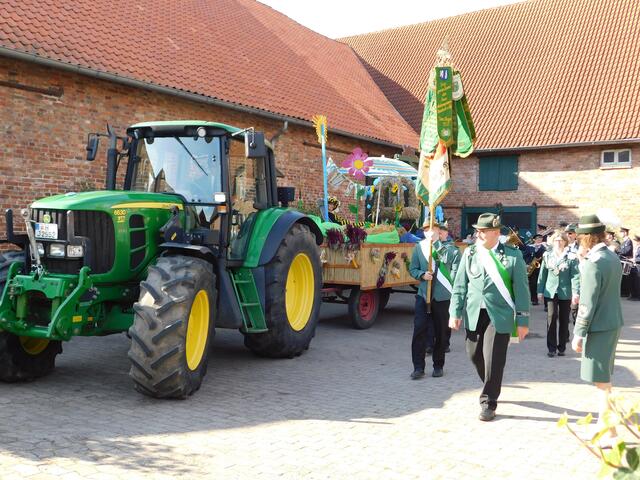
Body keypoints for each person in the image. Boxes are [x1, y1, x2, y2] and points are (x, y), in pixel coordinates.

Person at [449, 213, 530, 421]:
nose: (478, 234)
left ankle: (489, 402)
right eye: (478, 231)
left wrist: (523, 320)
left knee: (493, 358)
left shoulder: (513, 256)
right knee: (474, 355)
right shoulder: (470, 253)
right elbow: (460, 284)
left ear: (495, 232)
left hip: (500, 315)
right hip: (475, 312)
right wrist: (455, 312)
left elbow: (522, 290)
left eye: (483, 231)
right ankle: (492, 381)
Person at [572, 214, 624, 441]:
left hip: (599, 325)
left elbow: (587, 302)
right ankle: (605, 425)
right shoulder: (611, 256)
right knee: (603, 380)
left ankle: (610, 431)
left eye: (580, 237)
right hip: (612, 322)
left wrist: (578, 332)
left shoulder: (594, 263)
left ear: (587, 238)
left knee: (602, 382)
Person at [409, 220, 460, 379]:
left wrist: (436, 243)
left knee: (441, 332)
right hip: (424, 295)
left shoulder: (449, 248)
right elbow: (413, 268)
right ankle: (418, 367)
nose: (429, 233)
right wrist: (421, 275)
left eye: (433, 230)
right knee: (419, 331)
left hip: (442, 296)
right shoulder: (419, 247)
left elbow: (448, 261)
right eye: (426, 231)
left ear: (439, 231)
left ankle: (438, 365)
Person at [537, 230, 580, 357]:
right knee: (552, 316)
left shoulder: (571, 256)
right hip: (550, 291)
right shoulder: (547, 255)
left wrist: (576, 292)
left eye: (561, 240)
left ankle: (562, 347)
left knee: (564, 319)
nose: (558, 242)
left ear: (565, 242)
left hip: (565, 291)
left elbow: (575, 276)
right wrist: (539, 291)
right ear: (552, 241)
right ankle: (551, 348)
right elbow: (543, 274)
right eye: (556, 240)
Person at [437, 221, 460, 353]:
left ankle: (445, 343)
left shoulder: (452, 249)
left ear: (446, 233)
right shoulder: (429, 245)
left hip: (446, 288)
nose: (439, 234)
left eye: (441, 232)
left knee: (445, 319)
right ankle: (430, 344)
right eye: (437, 232)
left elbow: (447, 259)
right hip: (433, 287)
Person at [528, 234, 546, 305]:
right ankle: (534, 300)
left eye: (541, 238)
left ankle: (546, 303)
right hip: (533, 268)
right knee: (533, 284)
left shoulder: (544, 247)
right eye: (538, 238)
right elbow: (525, 256)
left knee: (544, 283)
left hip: (542, 267)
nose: (539, 239)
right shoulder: (529, 247)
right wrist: (528, 263)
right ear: (534, 240)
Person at [618, 227, 633, 297]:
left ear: (625, 233)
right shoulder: (624, 242)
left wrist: (618, 251)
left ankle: (626, 292)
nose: (620, 234)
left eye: (622, 232)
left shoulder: (628, 241)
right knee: (622, 277)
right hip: (622, 261)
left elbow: (627, 250)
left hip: (626, 262)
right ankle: (623, 292)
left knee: (625, 278)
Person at [629, 234, 640, 301]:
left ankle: (638, 296)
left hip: (638, 267)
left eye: (636, 241)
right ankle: (633, 295)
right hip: (634, 266)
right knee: (632, 281)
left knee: (638, 282)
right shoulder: (636, 248)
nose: (634, 242)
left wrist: (634, 260)